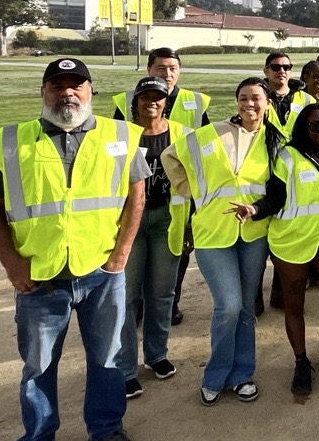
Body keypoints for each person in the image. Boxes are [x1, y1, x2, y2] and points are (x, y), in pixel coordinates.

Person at [0, 57, 148, 441]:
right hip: (39, 279)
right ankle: (40, 434)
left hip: (102, 274)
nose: (67, 92)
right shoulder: (11, 141)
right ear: (43, 93)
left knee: (107, 360)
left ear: (91, 92)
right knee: (38, 366)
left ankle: (105, 430)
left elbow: (136, 193)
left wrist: (121, 252)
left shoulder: (120, 135)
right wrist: (12, 265)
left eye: (77, 85)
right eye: (57, 85)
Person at [227, 103, 319, 395]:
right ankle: (301, 361)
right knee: (294, 306)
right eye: (315, 126)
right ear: (304, 127)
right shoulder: (288, 158)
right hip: (290, 242)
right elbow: (276, 198)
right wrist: (254, 209)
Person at [162, 77, 284, 406]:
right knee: (228, 306)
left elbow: (278, 189)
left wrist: (256, 209)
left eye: (256, 98)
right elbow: (170, 157)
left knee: (245, 308)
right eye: (243, 97)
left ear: (267, 103)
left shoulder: (275, 141)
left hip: (253, 234)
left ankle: (242, 374)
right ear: (236, 102)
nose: (249, 104)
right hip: (213, 232)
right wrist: (195, 193)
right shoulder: (213, 133)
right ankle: (215, 375)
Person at [117, 77, 190, 401]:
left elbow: (193, 181)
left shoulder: (181, 135)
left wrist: (191, 226)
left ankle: (157, 355)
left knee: (162, 293)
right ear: (135, 102)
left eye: (158, 97)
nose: (152, 102)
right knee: (129, 297)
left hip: (167, 221)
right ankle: (125, 370)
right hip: (129, 223)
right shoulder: (119, 136)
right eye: (145, 96)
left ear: (166, 102)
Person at [112, 47, 211, 129]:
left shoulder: (196, 100)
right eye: (161, 69)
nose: (167, 74)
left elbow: (206, 137)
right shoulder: (127, 99)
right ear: (149, 69)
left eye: (173, 69)